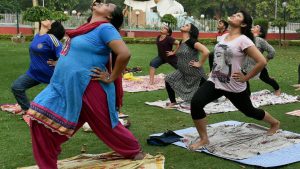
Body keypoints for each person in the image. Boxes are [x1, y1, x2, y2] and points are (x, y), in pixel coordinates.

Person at [26, 1, 144, 168]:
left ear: (109, 15)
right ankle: (47, 163)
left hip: (89, 85)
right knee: (39, 120)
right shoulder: (86, 28)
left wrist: (111, 77)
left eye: (107, 4)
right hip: (65, 85)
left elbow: (124, 53)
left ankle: (133, 150)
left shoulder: (105, 28)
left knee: (106, 126)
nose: (102, 2)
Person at [189, 10, 280, 150]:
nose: (233, 15)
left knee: (250, 111)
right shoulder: (224, 36)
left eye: (238, 16)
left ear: (243, 23)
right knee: (196, 103)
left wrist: (246, 77)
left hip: (234, 85)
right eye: (235, 14)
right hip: (215, 81)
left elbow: (261, 61)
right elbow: (219, 57)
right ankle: (204, 139)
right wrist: (213, 71)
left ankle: (274, 123)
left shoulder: (244, 40)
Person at [11, 21, 64, 115]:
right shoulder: (37, 36)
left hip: (50, 74)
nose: (48, 19)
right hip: (33, 73)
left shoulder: (51, 38)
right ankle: (27, 110)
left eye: (50, 20)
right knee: (16, 87)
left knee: (60, 96)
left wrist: (57, 62)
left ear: (50, 27)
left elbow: (64, 54)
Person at [164, 23, 209, 108]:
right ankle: (173, 102)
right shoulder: (182, 41)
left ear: (190, 31)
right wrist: (173, 52)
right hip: (183, 72)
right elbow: (179, 50)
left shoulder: (192, 41)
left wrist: (199, 63)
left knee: (211, 94)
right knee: (168, 79)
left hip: (195, 74)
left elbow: (206, 51)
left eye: (187, 25)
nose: (184, 25)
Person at [242, 24, 281, 96]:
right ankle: (246, 95)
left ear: (260, 33)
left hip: (258, 65)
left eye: (257, 27)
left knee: (266, 79)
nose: (254, 26)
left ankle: (277, 88)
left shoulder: (260, 40)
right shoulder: (247, 38)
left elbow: (272, 51)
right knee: (242, 78)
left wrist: (265, 60)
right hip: (245, 65)